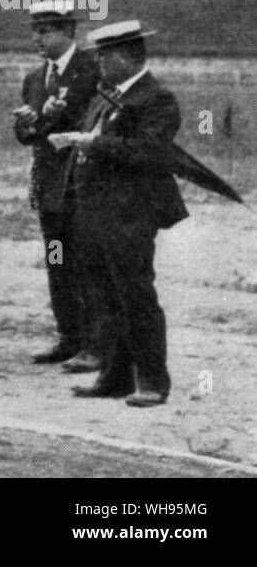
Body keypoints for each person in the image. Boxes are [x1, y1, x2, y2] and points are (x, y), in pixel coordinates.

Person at [56, 20, 187, 407]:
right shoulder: (104, 96)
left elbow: (148, 151)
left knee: (135, 294)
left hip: (131, 213)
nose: (98, 62)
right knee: (104, 296)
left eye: (105, 55)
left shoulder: (157, 98)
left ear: (129, 57)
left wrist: (95, 143)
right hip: (95, 211)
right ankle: (114, 376)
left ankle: (152, 379)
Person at [11, 1, 101, 371]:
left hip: (82, 185)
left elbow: (97, 122)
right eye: (34, 30)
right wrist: (28, 124)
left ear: (68, 32)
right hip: (50, 191)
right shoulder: (33, 79)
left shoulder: (93, 71)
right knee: (57, 260)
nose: (37, 38)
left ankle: (95, 343)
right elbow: (26, 136)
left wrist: (51, 120)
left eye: (45, 31)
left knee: (85, 264)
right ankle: (69, 337)